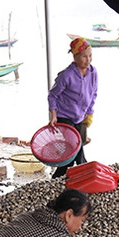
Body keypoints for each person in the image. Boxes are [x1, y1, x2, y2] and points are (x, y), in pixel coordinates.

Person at [47, 37, 98, 178]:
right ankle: (87, 171)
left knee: (70, 153)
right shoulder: (66, 75)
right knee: (76, 147)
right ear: (75, 57)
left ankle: (57, 178)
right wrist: (54, 115)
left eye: (90, 56)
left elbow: (93, 94)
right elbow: (52, 96)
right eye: (84, 56)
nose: (88, 60)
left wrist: (89, 113)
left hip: (81, 117)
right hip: (64, 116)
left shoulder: (93, 73)